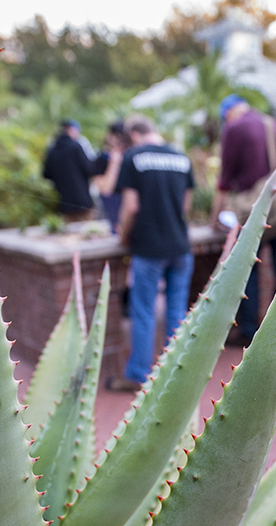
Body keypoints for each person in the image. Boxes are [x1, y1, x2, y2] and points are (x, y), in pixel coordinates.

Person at [106, 114, 195, 392]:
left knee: (143, 310)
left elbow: (131, 207)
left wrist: (122, 235)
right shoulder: (182, 158)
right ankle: (175, 373)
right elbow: (185, 206)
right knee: (176, 311)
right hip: (180, 246)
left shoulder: (134, 157)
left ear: (133, 134)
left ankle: (137, 375)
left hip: (148, 248)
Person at [212, 93, 276, 346]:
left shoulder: (234, 127)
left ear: (228, 112)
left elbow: (224, 180)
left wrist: (214, 217)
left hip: (257, 211)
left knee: (247, 270)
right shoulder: (274, 124)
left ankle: (250, 330)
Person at [42, 119, 96, 222]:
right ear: (72, 130)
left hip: (63, 204)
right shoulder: (76, 147)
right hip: (83, 203)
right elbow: (89, 169)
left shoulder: (52, 150)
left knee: (68, 235)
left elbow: (46, 174)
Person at [91, 120, 132, 227]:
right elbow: (105, 190)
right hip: (108, 208)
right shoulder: (102, 159)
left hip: (129, 207)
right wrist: (114, 163)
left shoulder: (132, 159)